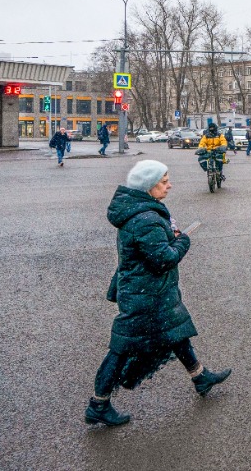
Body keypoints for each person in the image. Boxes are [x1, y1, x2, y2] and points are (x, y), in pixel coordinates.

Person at [85, 160, 231, 426]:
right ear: (149, 186)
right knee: (120, 350)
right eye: (164, 181)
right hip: (146, 296)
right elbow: (163, 259)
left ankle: (200, 377)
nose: (169, 185)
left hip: (150, 291)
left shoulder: (140, 211)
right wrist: (183, 240)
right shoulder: (146, 219)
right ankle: (98, 404)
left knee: (177, 332)